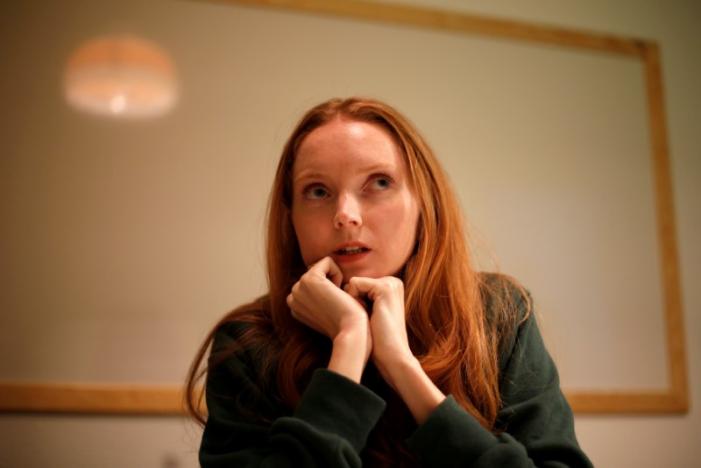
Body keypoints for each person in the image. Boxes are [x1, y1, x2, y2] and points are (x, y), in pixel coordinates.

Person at [185, 97, 593, 467]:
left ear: (424, 204)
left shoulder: (499, 313)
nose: (346, 215)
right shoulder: (248, 342)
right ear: (290, 218)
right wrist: (349, 344)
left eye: (379, 183)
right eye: (317, 191)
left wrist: (401, 367)